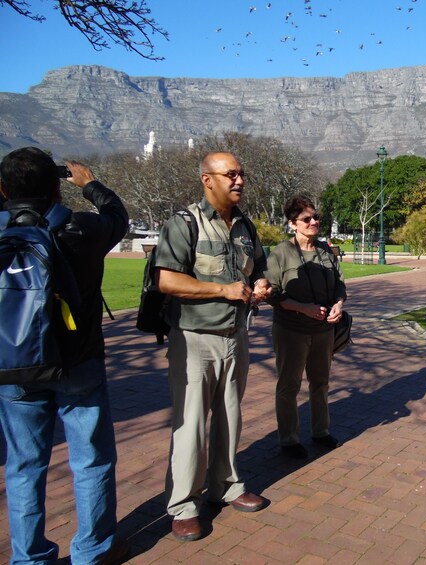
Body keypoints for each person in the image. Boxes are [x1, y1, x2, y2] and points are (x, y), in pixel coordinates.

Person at [0, 148, 129, 564]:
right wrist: (88, 183)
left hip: (15, 364)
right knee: (90, 461)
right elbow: (117, 215)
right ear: (57, 187)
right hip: (78, 361)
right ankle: (92, 550)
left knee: (24, 467)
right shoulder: (83, 228)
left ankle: (29, 557)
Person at [154, 152, 272, 542]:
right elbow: (168, 281)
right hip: (194, 340)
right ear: (208, 179)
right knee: (190, 427)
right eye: (231, 174)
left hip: (236, 337)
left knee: (230, 415)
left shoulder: (244, 226)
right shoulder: (184, 223)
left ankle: (226, 485)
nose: (239, 180)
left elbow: (260, 267)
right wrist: (223, 290)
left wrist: (261, 286)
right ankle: (184, 504)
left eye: (242, 173)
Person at [264, 195, 346, 460]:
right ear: (292, 224)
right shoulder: (280, 253)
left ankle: (321, 431)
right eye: (306, 219)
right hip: (291, 330)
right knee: (289, 385)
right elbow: (272, 294)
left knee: (320, 383)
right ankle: (288, 439)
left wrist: (338, 305)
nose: (314, 222)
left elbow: (339, 286)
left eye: (316, 217)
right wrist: (303, 308)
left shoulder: (325, 251)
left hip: (323, 331)